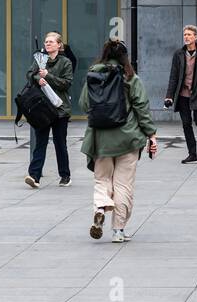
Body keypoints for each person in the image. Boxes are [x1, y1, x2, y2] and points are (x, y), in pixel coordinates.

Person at [80, 40, 158, 243]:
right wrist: (151, 134)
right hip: (128, 138)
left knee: (102, 180)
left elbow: (83, 103)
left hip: (101, 140)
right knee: (123, 185)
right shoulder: (130, 77)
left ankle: (99, 209)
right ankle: (118, 231)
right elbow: (141, 107)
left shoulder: (92, 75)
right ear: (125, 56)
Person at [24, 31, 74, 188]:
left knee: (60, 143)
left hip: (60, 109)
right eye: (46, 41)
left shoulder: (65, 62)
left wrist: (48, 76)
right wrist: (39, 79)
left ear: (59, 45)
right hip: (42, 109)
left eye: (51, 41)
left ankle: (65, 176)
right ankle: (34, 176)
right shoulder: (40, 59)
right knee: (41, 143)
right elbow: (30, 75)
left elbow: (66, 83)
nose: (47, 44)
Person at [163, 25, 197, 164]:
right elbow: (173, 77)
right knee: (186, 124)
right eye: (185, 34)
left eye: (189, 34)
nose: (186, 37)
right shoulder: (178, 54)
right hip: (182, 95)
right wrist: (169, 96)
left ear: (195, 37)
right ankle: (192, 154)